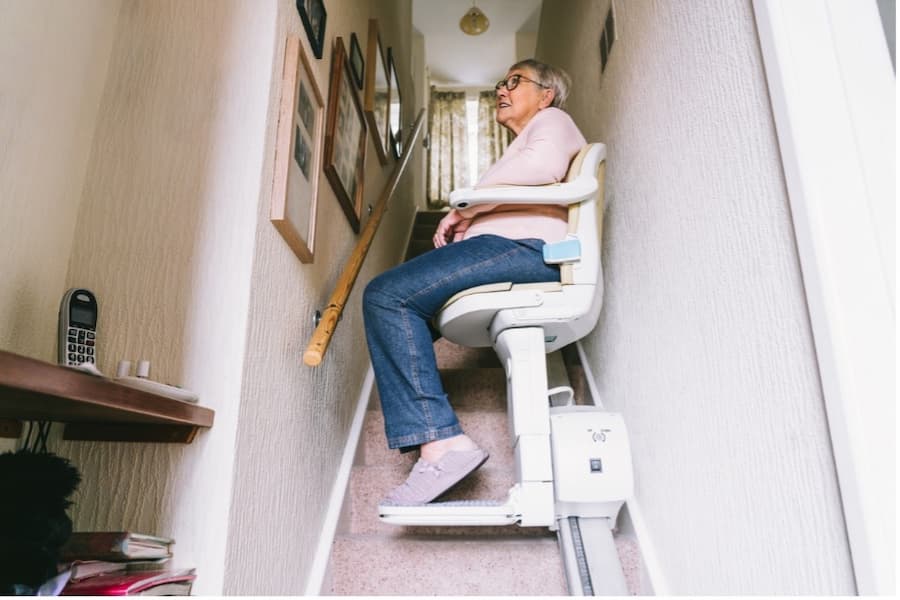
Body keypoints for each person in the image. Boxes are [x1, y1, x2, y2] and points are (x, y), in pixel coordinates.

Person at [364, 59, 587, 505]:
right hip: (517, 247)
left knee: (387, 295)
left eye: (515, 81)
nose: (502, 90)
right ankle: (435, 439)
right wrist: (471, 219)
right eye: (500, 83)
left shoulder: (553, 121)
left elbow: (541, 167)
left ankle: (442, 443)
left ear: (546, 94)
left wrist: (467, 207)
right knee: (402, 311)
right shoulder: (527, 138)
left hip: (526, 250)